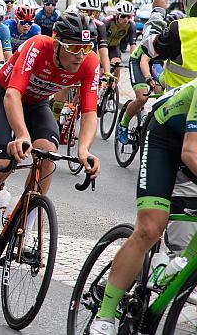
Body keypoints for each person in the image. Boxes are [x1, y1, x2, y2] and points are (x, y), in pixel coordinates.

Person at [0, 12, 101, 271]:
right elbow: (11, 95)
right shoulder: (37, 46)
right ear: (57, 44)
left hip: (36, 104)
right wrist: (21, 134)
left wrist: (84, 149)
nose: (80, 55)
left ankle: (26, 230)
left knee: (48, 156)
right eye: (74, 47)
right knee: (0, 165)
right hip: (2, 97)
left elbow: (89, 112)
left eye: (86, 48)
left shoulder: (89, 63)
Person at [88, 77, 197, 335]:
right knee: (150, 228)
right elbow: (190, 151)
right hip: (165, 136)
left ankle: (170, 268)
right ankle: (106, 314)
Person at [117, 12, 167, 145]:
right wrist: (148, 77)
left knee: (162, 96)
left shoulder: (174, 43)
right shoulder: (154, 40)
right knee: (142, 97)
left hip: (155, 64)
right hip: (138, 61)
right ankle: (123, 125)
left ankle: (152, 124)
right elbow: (144, 61)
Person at [99, 0, 136, 83]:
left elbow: (133, 45)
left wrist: (134, 61)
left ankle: (113, 89)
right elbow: (100, 43)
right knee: (101, 68)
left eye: (128, 16)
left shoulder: (131, 25)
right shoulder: (107, 22)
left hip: (114, 46)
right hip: (101, 46)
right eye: (123, 16)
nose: (126, 19)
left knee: (117, 65)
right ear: (116, 15)